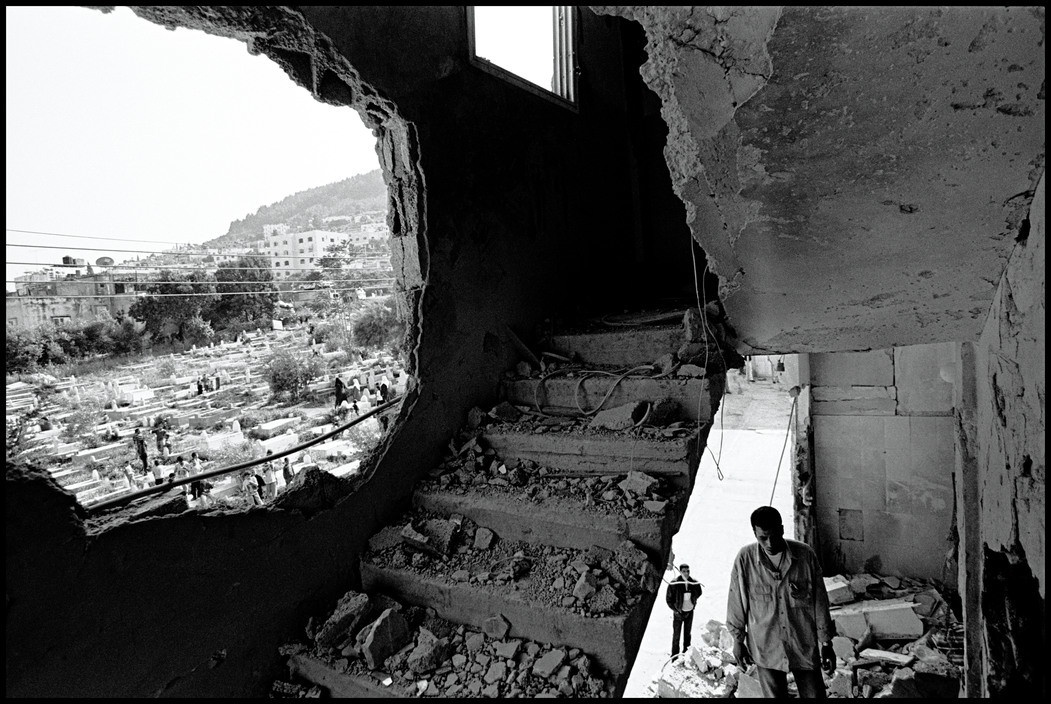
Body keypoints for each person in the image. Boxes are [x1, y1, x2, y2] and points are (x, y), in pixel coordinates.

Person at [726, 506, 835, 699]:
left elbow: (820, 603)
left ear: (782, 529)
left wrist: (826, 643)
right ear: (755, 534)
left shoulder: (805, 556)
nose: (769, 543)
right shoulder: (745, 560)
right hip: (766, 648)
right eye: (763, 538)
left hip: (802, 645)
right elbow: (736, 603)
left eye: (774, 536)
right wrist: (737, 641)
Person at [666, 564, 703, 657]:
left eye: (688, 571)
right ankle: (675, 656)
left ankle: (686, 655)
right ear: (680, 571)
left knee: (687, 634)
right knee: (676, 636)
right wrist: (676, 610)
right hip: (679, 613)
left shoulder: (693, 582)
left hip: (689, 612)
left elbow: (699, 592)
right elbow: (669, 599)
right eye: (684, 571)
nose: (686, 573)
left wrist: (693, 601)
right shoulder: (674, 583)